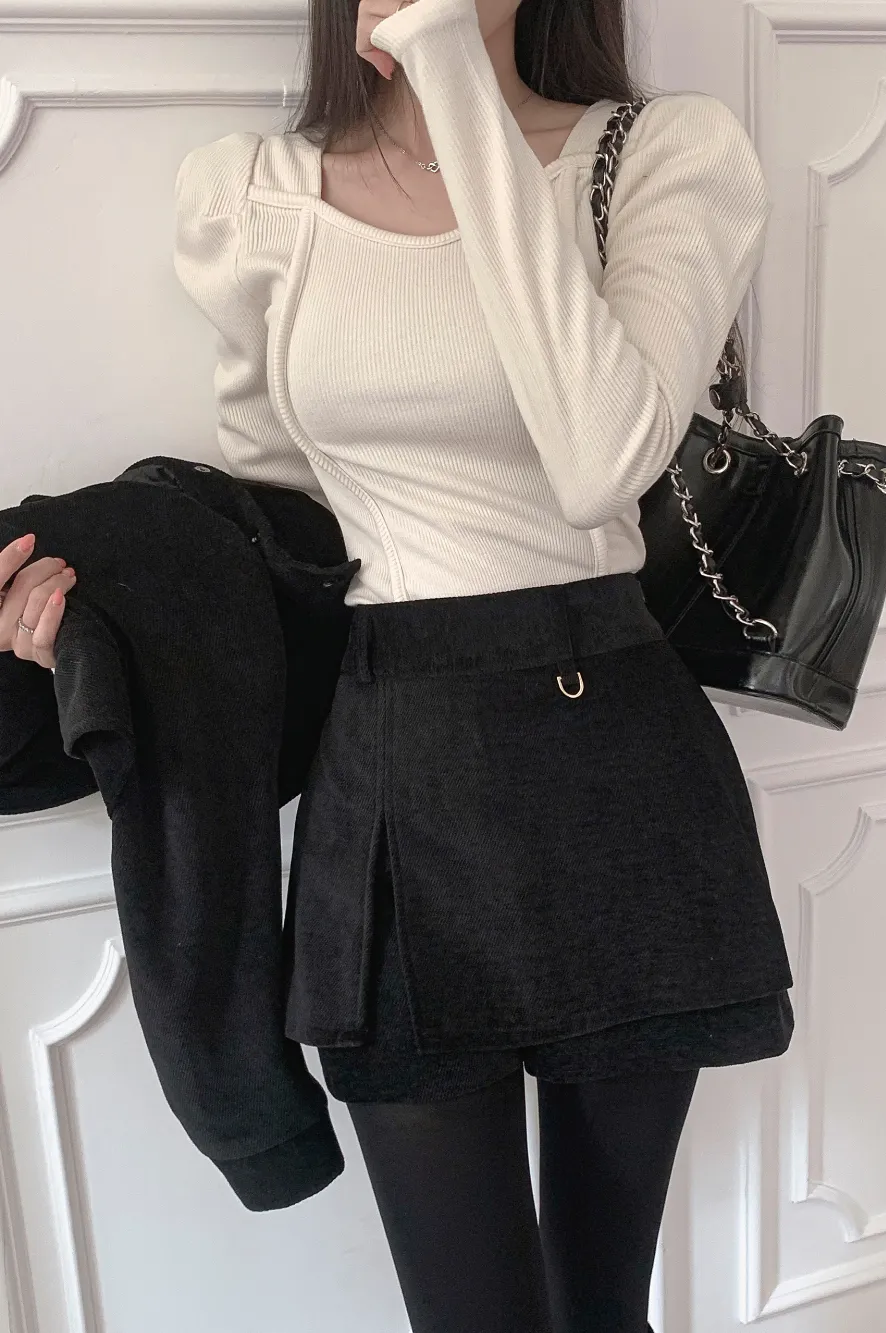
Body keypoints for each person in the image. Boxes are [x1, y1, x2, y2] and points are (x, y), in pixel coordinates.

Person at [1, 1, 795, 1329]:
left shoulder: (665, 155)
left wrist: (451, 71)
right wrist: (104, 602)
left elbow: (603, 456)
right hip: (398, 774)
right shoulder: (257, 198)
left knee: (599, 1305)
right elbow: (279, 522)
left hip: (619, 764)